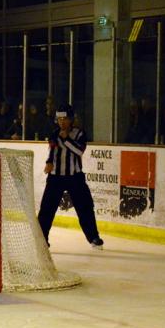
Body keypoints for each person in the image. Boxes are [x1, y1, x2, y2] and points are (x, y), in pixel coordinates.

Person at [37, 104, 104, 250]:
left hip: (75, 177)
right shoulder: (54, 133)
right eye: (59, 119)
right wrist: (48, 162)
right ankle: (42, 240)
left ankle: (93, 237)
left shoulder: (80, 134)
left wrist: (66, 139)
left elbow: (79, 151)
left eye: (65, 119)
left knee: (85, 207)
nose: (62, 122)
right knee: (46, 209)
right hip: (55, 177)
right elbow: (52, 151)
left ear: (72, 119)